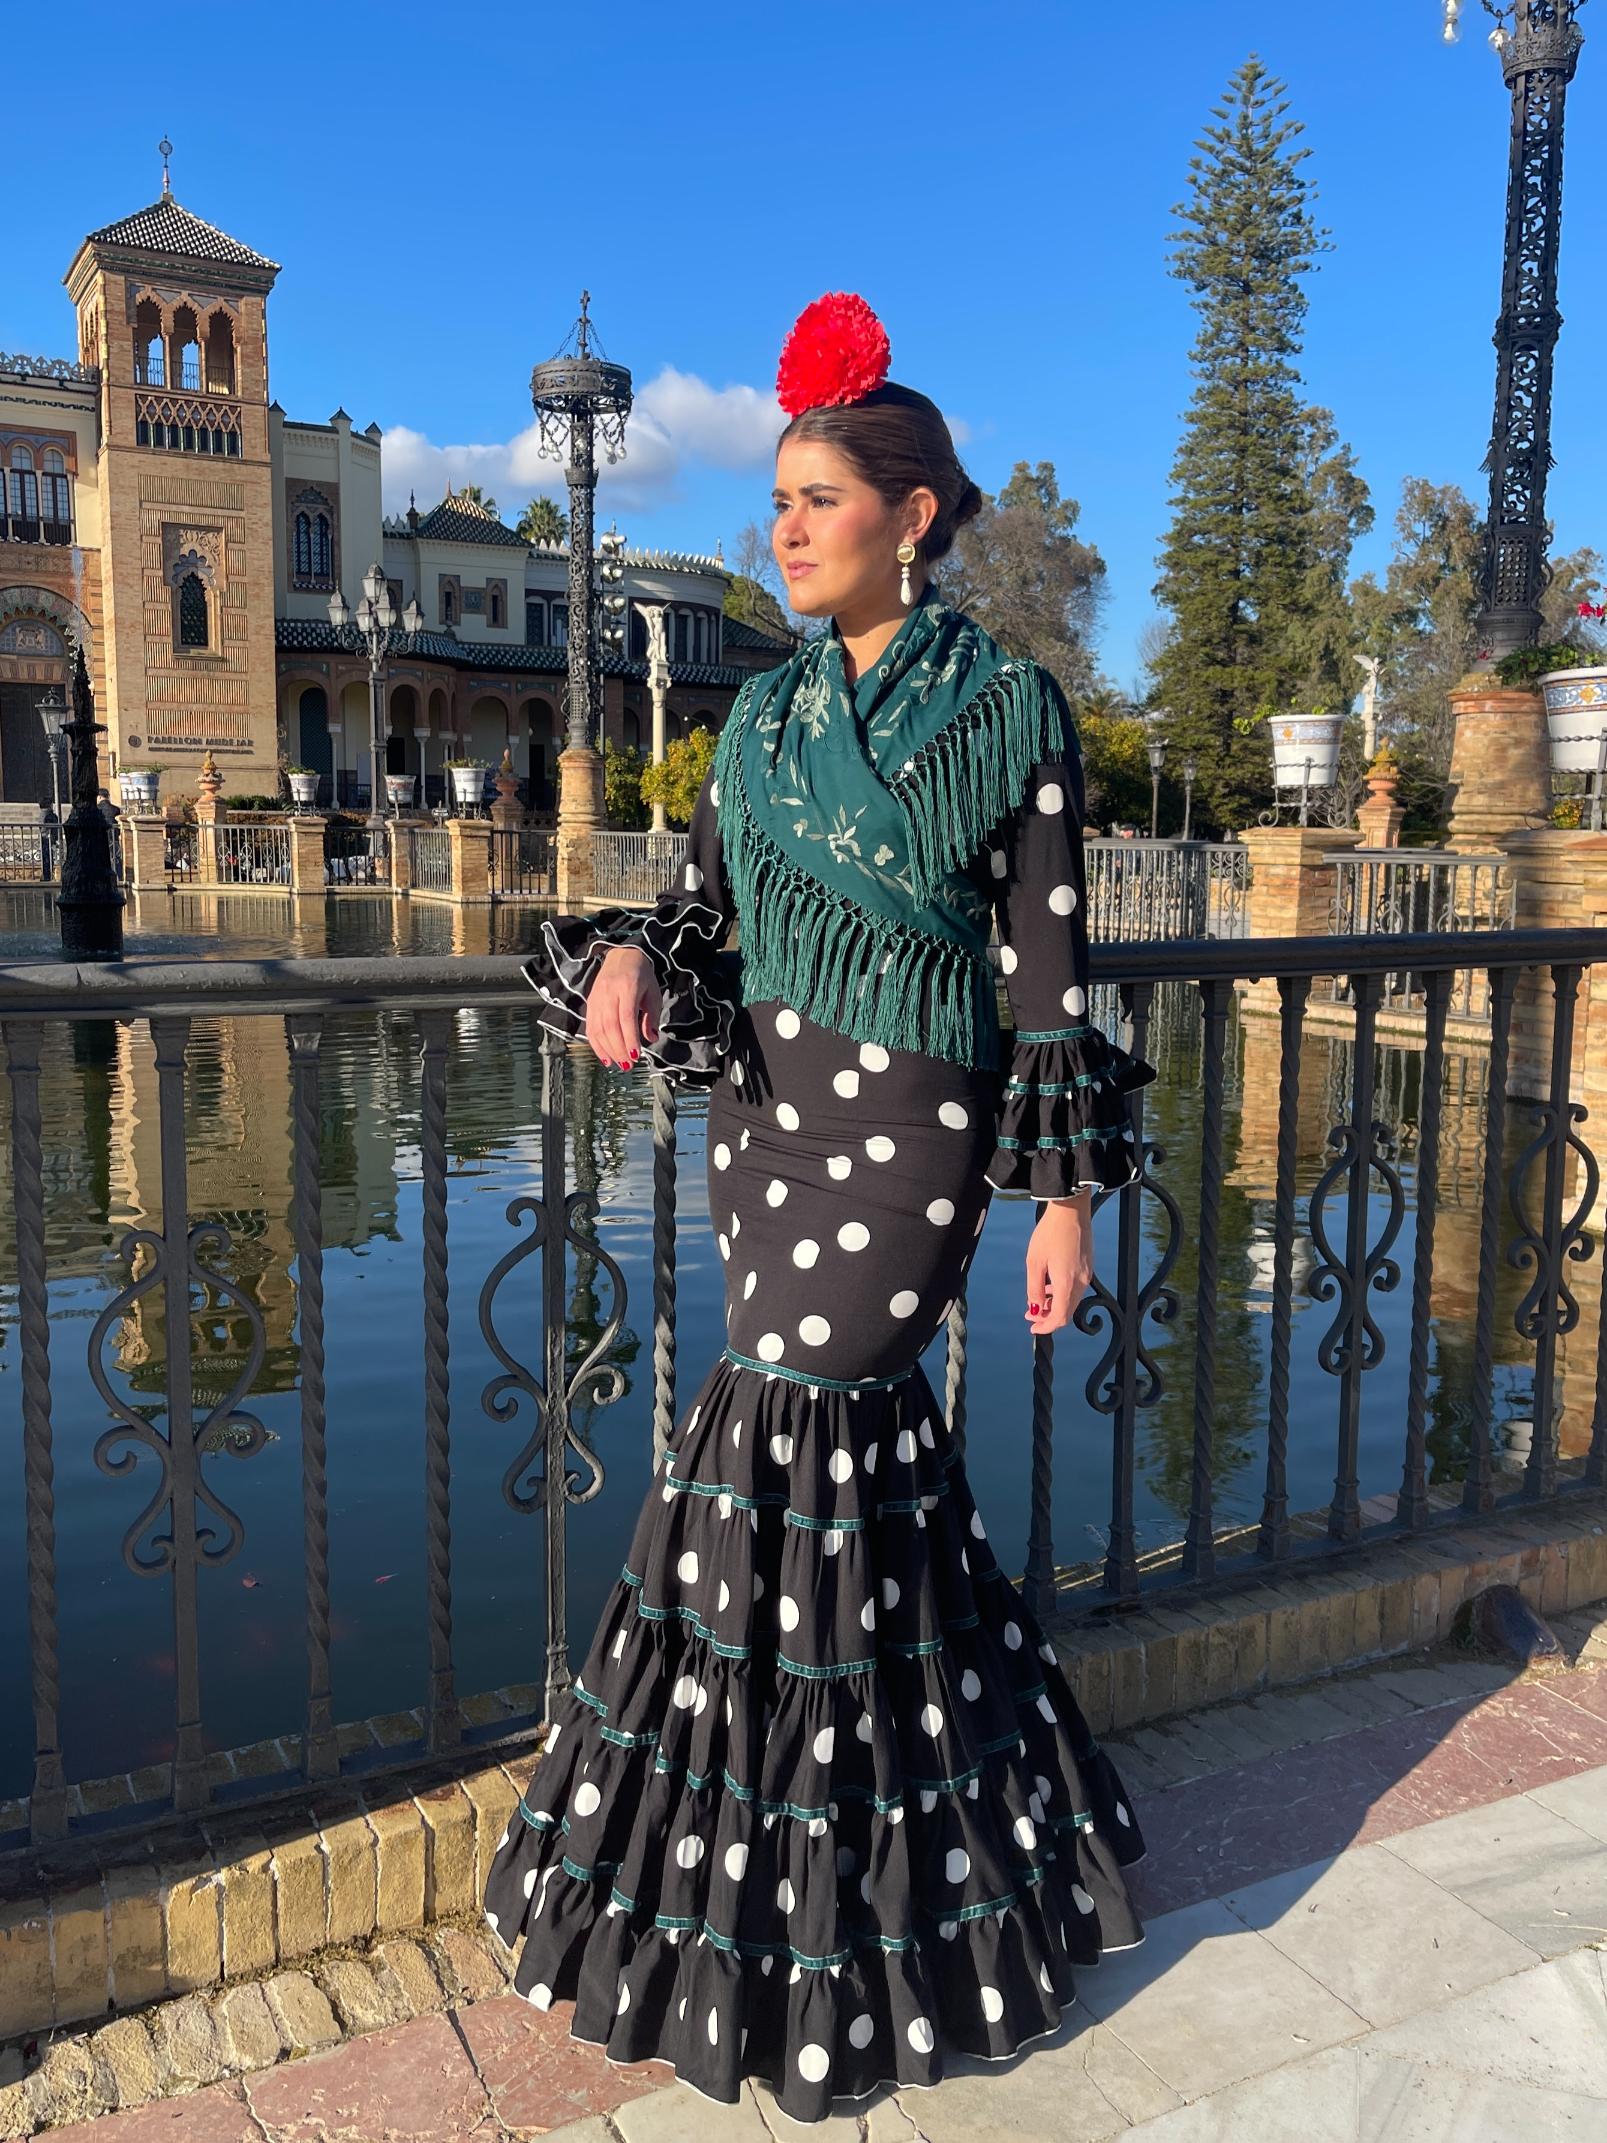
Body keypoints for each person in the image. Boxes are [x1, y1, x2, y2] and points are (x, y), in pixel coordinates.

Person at [481, 293, 1155, 2123]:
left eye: (816, 499)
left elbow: (1047, 982)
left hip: (920, 1129)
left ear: (912, 516)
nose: (783, 528)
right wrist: (629, 951)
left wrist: (1066, 1202)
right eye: (774, 500)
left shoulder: (1010, 709)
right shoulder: (759, 720)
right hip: (768, 1124)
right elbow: (702, 921)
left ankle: (834, 1910)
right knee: (838, 1474)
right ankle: (869, 1873)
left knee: (799, 1426)